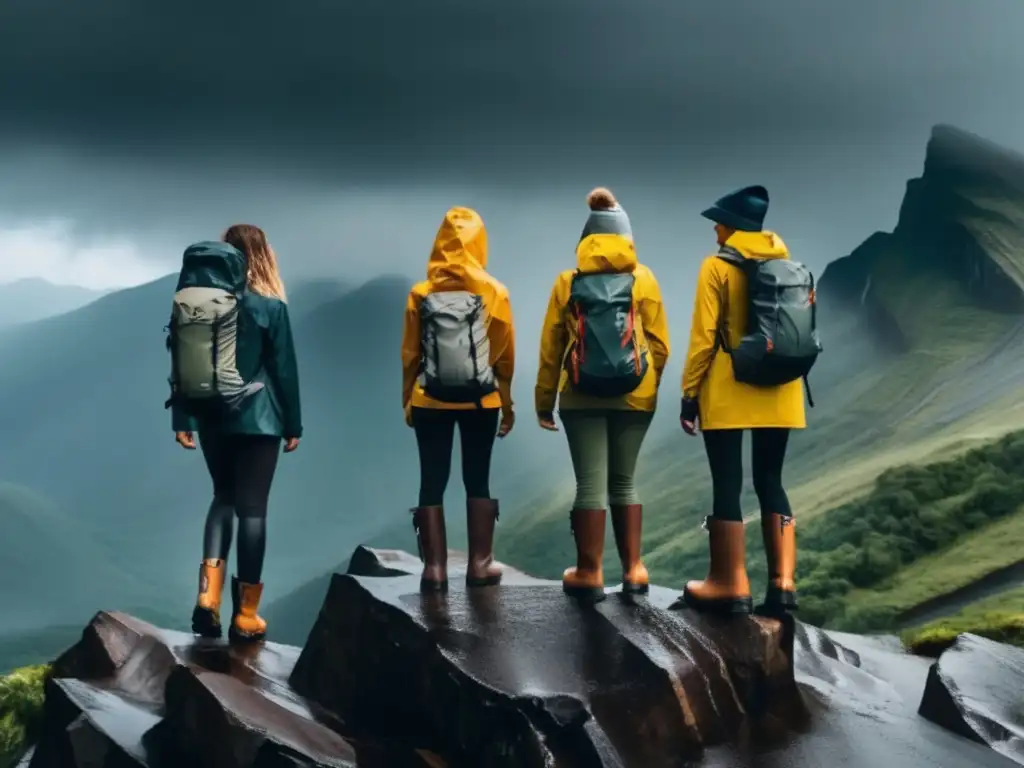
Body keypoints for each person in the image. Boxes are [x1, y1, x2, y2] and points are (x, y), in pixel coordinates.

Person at [536, 187, 670, 603]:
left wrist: (544, 402)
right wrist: (648, 385)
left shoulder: (567, 282)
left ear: (586, 239)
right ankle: (634, 570)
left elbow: (552, 348)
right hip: (636, 395)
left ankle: (590, 572)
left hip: (580, 394)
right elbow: (661, 344)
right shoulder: (644, 278)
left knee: (589, 486)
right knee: (624, 483)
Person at [170, 224, 302, 643]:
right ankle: (245, 616)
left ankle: (207, 600)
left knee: (222, 498)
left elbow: (181, 364)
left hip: (212, 419)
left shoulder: (196, 307)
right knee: (254, 510)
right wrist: (293, 425)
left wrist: (183, 421)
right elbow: (285, 373)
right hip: (260, 422)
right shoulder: (271, 309)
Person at [677, 185, 805, 616]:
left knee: (726, 484)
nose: (715, 228)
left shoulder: (715, 267)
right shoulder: (787, 263)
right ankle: (783, 585)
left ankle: (730, 585)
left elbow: (702, 339)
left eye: (720, 221)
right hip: (782, 388)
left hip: (729, 388)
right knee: (772, 480)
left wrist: (689, 394)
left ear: (734, 226)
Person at [401, 206, 515, 593]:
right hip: (482, 401)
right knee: (476, 477)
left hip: (429, 400)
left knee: (431, 479)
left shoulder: (421, 293)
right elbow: (503, 355)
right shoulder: (494, 292)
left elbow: (410, 354)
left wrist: (407, 400)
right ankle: (479, 565)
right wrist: (507, 402)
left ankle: (433, 570)